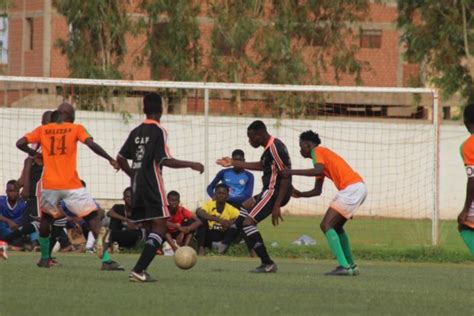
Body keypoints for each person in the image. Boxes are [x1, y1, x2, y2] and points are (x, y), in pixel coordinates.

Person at [16, 102, 122, 270]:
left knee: (46, 219)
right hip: (71, 184)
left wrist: (36, 154)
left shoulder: (43, 129)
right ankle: (106, 260)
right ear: (72, 118)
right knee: (93, 217)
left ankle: (44, 258)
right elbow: (91, 144)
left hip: (49, 185)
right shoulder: (76, 128)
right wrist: (110, 159)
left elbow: (20, 143)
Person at [113, 92, 204, 282]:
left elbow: (120, 157)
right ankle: (139, 270)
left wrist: (132, 174)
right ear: (161, 110)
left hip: (137, 188)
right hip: (153, 186)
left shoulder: (136, 131)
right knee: (160, 228)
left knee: (151, 227)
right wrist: (191, 164)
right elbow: (164, 160)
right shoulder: (159, 131)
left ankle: (136, 264)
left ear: (144, 109)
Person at [280, 130, 367, 276]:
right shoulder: (321, 162)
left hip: (351, 188)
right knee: (337, 228)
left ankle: (344, 267)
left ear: (308, 145)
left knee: (326, 225)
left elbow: (317, 170)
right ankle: (351, 265)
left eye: (301, 147)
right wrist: (301, 194)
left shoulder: (318, 151)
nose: (300, 150)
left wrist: (291, 172)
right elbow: (317, 191)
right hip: (358, 187)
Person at [217, 120, 292, 273]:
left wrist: (277, 204)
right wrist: (233, 162)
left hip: (273, 193)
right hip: (269, 191)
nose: (249, 141)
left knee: (248, 223)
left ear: (260, 135)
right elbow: (262, 165)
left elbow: (286, 175)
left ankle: (267, 263)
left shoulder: (275, 149)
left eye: (251, 138)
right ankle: (227, 240)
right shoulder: (270, 148)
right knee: (245, 205)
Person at [196, 184, 239, 256]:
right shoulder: (210, 204)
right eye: (219, 193)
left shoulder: (230, 208)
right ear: (215, 195)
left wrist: (229, 223)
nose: (221, 195)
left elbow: (241, 217)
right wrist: (217, 219)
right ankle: (201, 248)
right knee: (201, 220)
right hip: (209, 233)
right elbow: (199, 212)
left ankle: (222, 247)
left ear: (227, 197)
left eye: (223, 193)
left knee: (235, 226)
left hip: (222, 234)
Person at [458, 103, 474, 255]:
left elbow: (473, 180)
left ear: (466, 122)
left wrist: (465, 209)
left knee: (464, 224)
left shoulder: (469, 144)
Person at [0, 180, 29, 249]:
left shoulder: (23, 204)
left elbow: (25, 220)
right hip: (4, 228)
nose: (13, 193)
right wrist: (8, 221)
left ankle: (11, 244)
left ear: (18, 192)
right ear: (6, 192)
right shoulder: (1, 200)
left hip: (17, 229)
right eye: (10, 191)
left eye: (15, 191)